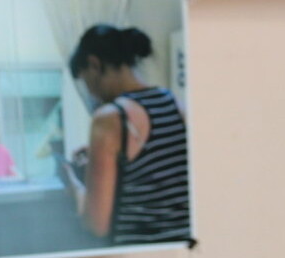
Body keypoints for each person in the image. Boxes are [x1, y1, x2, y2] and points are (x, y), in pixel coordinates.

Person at [58, 25, 190, 244]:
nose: (91, 93)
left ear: (94, 65)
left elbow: (96, 224)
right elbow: (157, 168)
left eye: (86, 80)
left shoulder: (110, 118)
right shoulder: (175, 103)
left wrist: (75, 186)